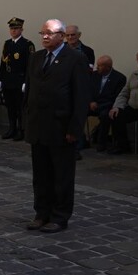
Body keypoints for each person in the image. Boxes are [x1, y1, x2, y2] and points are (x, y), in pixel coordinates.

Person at [25, 19, 89, 234]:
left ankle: (60, 216)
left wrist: (74, 129)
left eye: (50, 33)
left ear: (61, 35)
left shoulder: (75, 59)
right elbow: (30, 91)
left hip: (61, 127)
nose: (45, 36)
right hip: (38, 126)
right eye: (42, 32)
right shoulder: (36, 58)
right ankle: (41, 213)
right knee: (41, 175)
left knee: (61, 175)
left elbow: (80, 97)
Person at [106, 50, 138, 157]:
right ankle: (122, 145)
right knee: (116, 116)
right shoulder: (134, 74)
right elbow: (124, 93)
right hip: (132, 107)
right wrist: (117, 106)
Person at [0, 17, 36, 141]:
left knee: (20, 107)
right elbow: (3, 63)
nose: (13, 31)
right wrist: (0, 79)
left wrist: (26, 81)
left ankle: (21, 130)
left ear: (21, 29)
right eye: (12, 29)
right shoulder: (7, 43)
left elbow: (30, 65)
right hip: (8, 80)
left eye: (16, 28)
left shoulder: (27, 44)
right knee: (10, 106)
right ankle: (12, 128)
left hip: (20, 80)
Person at [88, 55, 127, 152]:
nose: (97, 67)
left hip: (107, 105)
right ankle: (79, 141)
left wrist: (101, 105)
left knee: (105, 115)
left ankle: (101, 143)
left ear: (108, 67)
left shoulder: (119, 78)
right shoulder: (94, 75)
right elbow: (87, 90)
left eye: (100, 65)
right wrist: (91, 101)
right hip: (92, 104)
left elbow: (116, 97)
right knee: (77, 111)